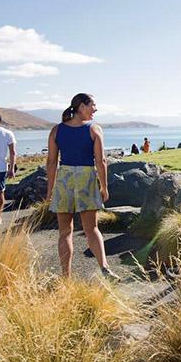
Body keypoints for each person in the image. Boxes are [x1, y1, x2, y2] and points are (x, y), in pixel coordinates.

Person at [45, 93, 119, 280]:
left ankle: (66, 277)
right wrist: (104, 187)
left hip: (64, 179)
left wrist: (50, 190)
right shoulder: (94, 129)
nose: (95, 109)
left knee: (65, 233)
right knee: (91, 229)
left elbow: (51, 163)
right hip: (86, 178)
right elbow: (101, 161)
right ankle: (104, 268)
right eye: (93, 105)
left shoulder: (56, 130)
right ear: (81, 106)